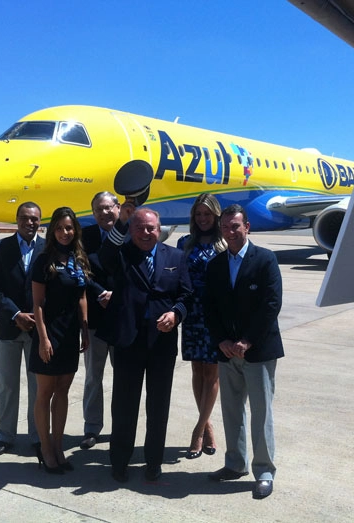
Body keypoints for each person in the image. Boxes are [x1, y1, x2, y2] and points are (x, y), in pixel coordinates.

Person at [97, 204, 192, 483]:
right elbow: (103, 256)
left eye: (151, 227)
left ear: (159, 229)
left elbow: (187, 295)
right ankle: (119, 462)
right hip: (128, 342)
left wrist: (176, 314)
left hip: (161, 343)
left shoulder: (175, 255)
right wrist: (122, 223)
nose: (146, 232)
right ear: (132, 229)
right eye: (140, 227)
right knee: (124, 406)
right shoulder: (122, 254)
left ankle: (153, 462)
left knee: (158, 406)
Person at [204, 204, 284, 500]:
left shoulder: (265, 260)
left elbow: (271, 305)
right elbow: (208, 308)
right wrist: (221, 340)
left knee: (261, 413)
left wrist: (247, 341)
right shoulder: (215, 265)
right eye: (225, 227)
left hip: (258, 350)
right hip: (227, 352)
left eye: (235, 226)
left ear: (247, 227)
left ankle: (263, 471)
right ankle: (235, 463)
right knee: (232, 410)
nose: (230, 232)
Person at [29, 207, 91, 474]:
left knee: (63, 391)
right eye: (60, 228)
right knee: (45, 392)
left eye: (69, 228)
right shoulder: (44, 261)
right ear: (52, 230)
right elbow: (38, 303)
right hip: (49, 333)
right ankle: (45, 448)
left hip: (70, 334)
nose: (65, 233)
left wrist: (85, 330)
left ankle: (58, 445)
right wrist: (43, 338)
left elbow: (81, 297)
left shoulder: (78, 259)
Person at [0, 201, 45, 457]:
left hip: (37, 330)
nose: (30, 223)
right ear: (17, 220)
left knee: (37, 387)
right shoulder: (0, 248)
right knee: (7, 385)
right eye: (25, 218)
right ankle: (5, 435)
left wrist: (38, 320)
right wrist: (16, 314)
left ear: (40, 221)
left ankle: (37, 436)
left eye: (34, 219)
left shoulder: (47, 249)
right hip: (8, 328)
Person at [176, 193, 226, 459]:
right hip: (193, 315)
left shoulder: (224, 244)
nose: (203, 219)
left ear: (216, 216)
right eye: (199, 214)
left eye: (207, 214)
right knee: (197, 370)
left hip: (215, 316)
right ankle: (207, 426)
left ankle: (198, 431)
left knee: (212, 375)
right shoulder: (185, 243)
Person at [79, 192, 119, 450]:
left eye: (108, 207)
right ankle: (92, 428)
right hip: (95, 318)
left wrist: (117, 295)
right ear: (93, 213)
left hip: (122, 318)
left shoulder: (130, 233)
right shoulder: (86, 237)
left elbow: (138, 269)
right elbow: (80, 269)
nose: (104, 213)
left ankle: (121, 427)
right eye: (99, 209)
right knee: (94, 376)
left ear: (117, 208)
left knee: (124, 376)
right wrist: (99, 293)